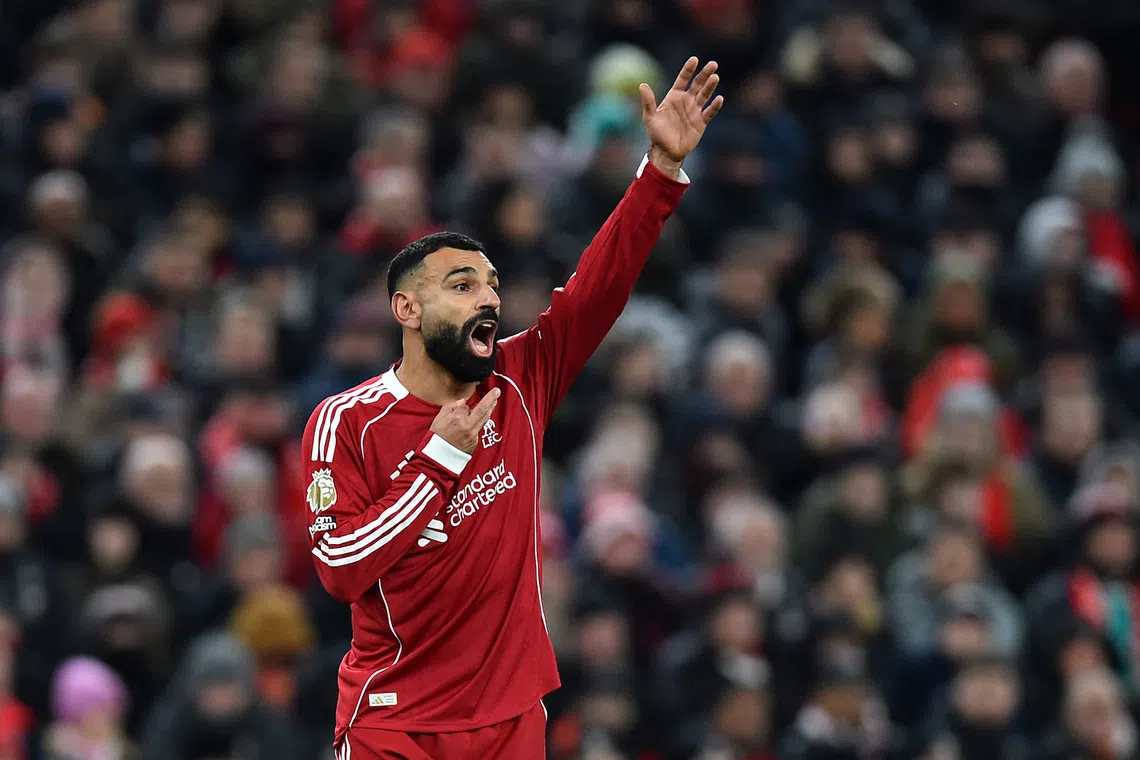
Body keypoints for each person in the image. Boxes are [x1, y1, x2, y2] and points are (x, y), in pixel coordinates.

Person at [301, 57, 724, 759]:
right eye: (462, 285)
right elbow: (340, 567)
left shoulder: (521, 379)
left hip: (510, 718)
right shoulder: (346, 420)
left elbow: (599, 287)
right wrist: (439, 461)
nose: (489, 300)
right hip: (395, 723)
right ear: (406, 308)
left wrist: (658, 175)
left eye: (492, 285)